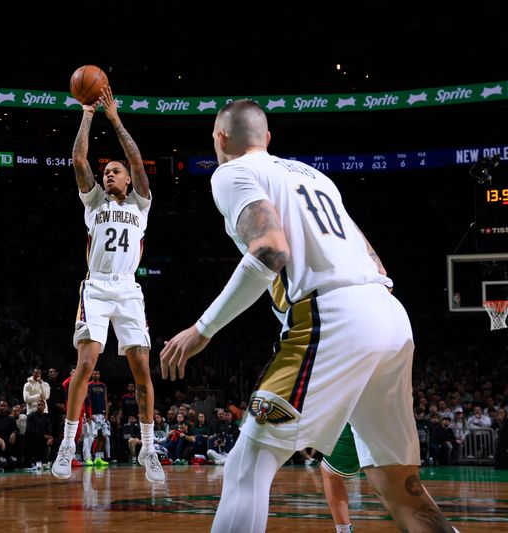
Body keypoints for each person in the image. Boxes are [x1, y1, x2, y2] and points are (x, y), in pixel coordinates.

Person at [159, 100, 454, 532]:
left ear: (219, 138)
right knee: (399, 484)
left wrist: (202, 329)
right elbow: (376, 261)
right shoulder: (315, 177)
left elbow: (270, 249)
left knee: (249, 462)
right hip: (388, 313)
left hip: (334, 317)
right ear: (268, 139)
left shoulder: (231, 173)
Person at [51, 85, 164, 485]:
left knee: (141, 370)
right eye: (105, 173)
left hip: (129, 289)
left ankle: (149, 449)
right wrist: (87, 113)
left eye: (114, 171)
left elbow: (134, 158)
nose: (107, 174)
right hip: (96, 288)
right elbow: (78, 158)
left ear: (129, 178)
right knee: (85, 363)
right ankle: (68, 444)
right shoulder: (95, 203)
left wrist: (114, 117)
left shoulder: (140, 203)